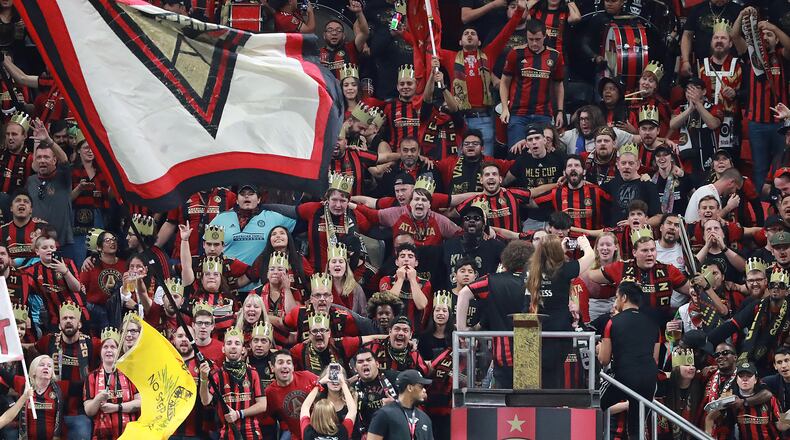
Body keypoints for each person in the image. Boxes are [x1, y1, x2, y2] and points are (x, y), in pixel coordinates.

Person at [456, 240, 533, 388]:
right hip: (532, 350)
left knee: (503, 400)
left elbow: (464, 294)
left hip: (502, 353)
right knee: (528, 398)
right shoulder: (536, 281)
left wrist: (462, 330)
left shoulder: (492, 280)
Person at [526, 234, 594, 388]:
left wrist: (557, 248)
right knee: (554, 375)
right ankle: (553, 407)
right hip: (559, 331)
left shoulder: (530, 269)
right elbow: (590, 257)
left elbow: (548, 262)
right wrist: (584, 244)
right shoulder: (564, 270)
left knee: (538, 375)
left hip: (534, 329)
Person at [598, 281, 660, 439]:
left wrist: (599, 350)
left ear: (624, 298)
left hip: (624, 376)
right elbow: (655, 359)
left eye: (616, 297)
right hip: (649, 380)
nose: (615, 301)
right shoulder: (654, 325)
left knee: (593, 404)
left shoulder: (612, 322)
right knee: (636, 429)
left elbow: (604, 360)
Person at [500, 20, 565, 147]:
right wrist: (504, 108)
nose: (534, 43)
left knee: (544, 152)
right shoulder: (516, 53)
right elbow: (504, 82)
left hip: (544, 113)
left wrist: (560, 111)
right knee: (516, 152)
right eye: (531, 39)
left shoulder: (555, 56)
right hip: (518, 113)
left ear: (545, 36)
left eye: (538, 39)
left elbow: (559, 84)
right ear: (526, 37)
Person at [198, 327, 267, 440]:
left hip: (251, 433)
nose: (233, 346)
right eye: (229, 343)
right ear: (223, 349)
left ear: (243, 349)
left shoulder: (252, 373)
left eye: (237, 343)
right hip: (227, 434)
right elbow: (206, 401)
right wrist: (204, 379)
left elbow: (262, 405)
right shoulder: (217, 375)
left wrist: (239, 414)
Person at [83, 327, 140, 439]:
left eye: (113, 347)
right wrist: (97, 399)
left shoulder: (130, 374)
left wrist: (116, 407)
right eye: (105, 347)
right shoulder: (91, 377)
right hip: (102, 435)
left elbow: (140, 403)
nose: (109, 350)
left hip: (130, 434)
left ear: (118, 351)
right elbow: (89, 411)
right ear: (100, 352)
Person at [264, 350, 319, 440]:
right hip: (296, 436)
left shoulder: (308, 377)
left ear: (293, 367)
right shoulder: (270, 393)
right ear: (272, 367)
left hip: (321, 434)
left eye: (289, 363)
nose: (285, 366)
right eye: (280, 362)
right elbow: (267, 421)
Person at [367, 369, 434, 440]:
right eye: (421, 386)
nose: (424, 390)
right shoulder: (384, 414)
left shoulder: (425, 418)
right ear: (410, 388)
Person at [299, 365, 358, 440]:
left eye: (338, 374)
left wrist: (319, 383)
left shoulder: (308, 433)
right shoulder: (342, 432)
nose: (334, 377)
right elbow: (352, 411)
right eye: (331, 374)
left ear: (314, 417)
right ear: (334, 417)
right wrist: (343, 383)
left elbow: (305, 408)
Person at [352, 348, 399, 438]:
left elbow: (415, 398)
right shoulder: (352, 388)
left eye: (369, 360)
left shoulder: (393, 378)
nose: (365, 363)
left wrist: (396, 404)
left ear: (377, 364)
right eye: (360, 361)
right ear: (355, 368)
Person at [16, 355, 64, 440]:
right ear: (33, 371)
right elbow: (5, 376)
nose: (46, 367)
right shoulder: (25, 385)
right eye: (42, 365)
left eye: (49, 366)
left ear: (52, 372)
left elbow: (81, 384)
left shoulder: (60, 387)